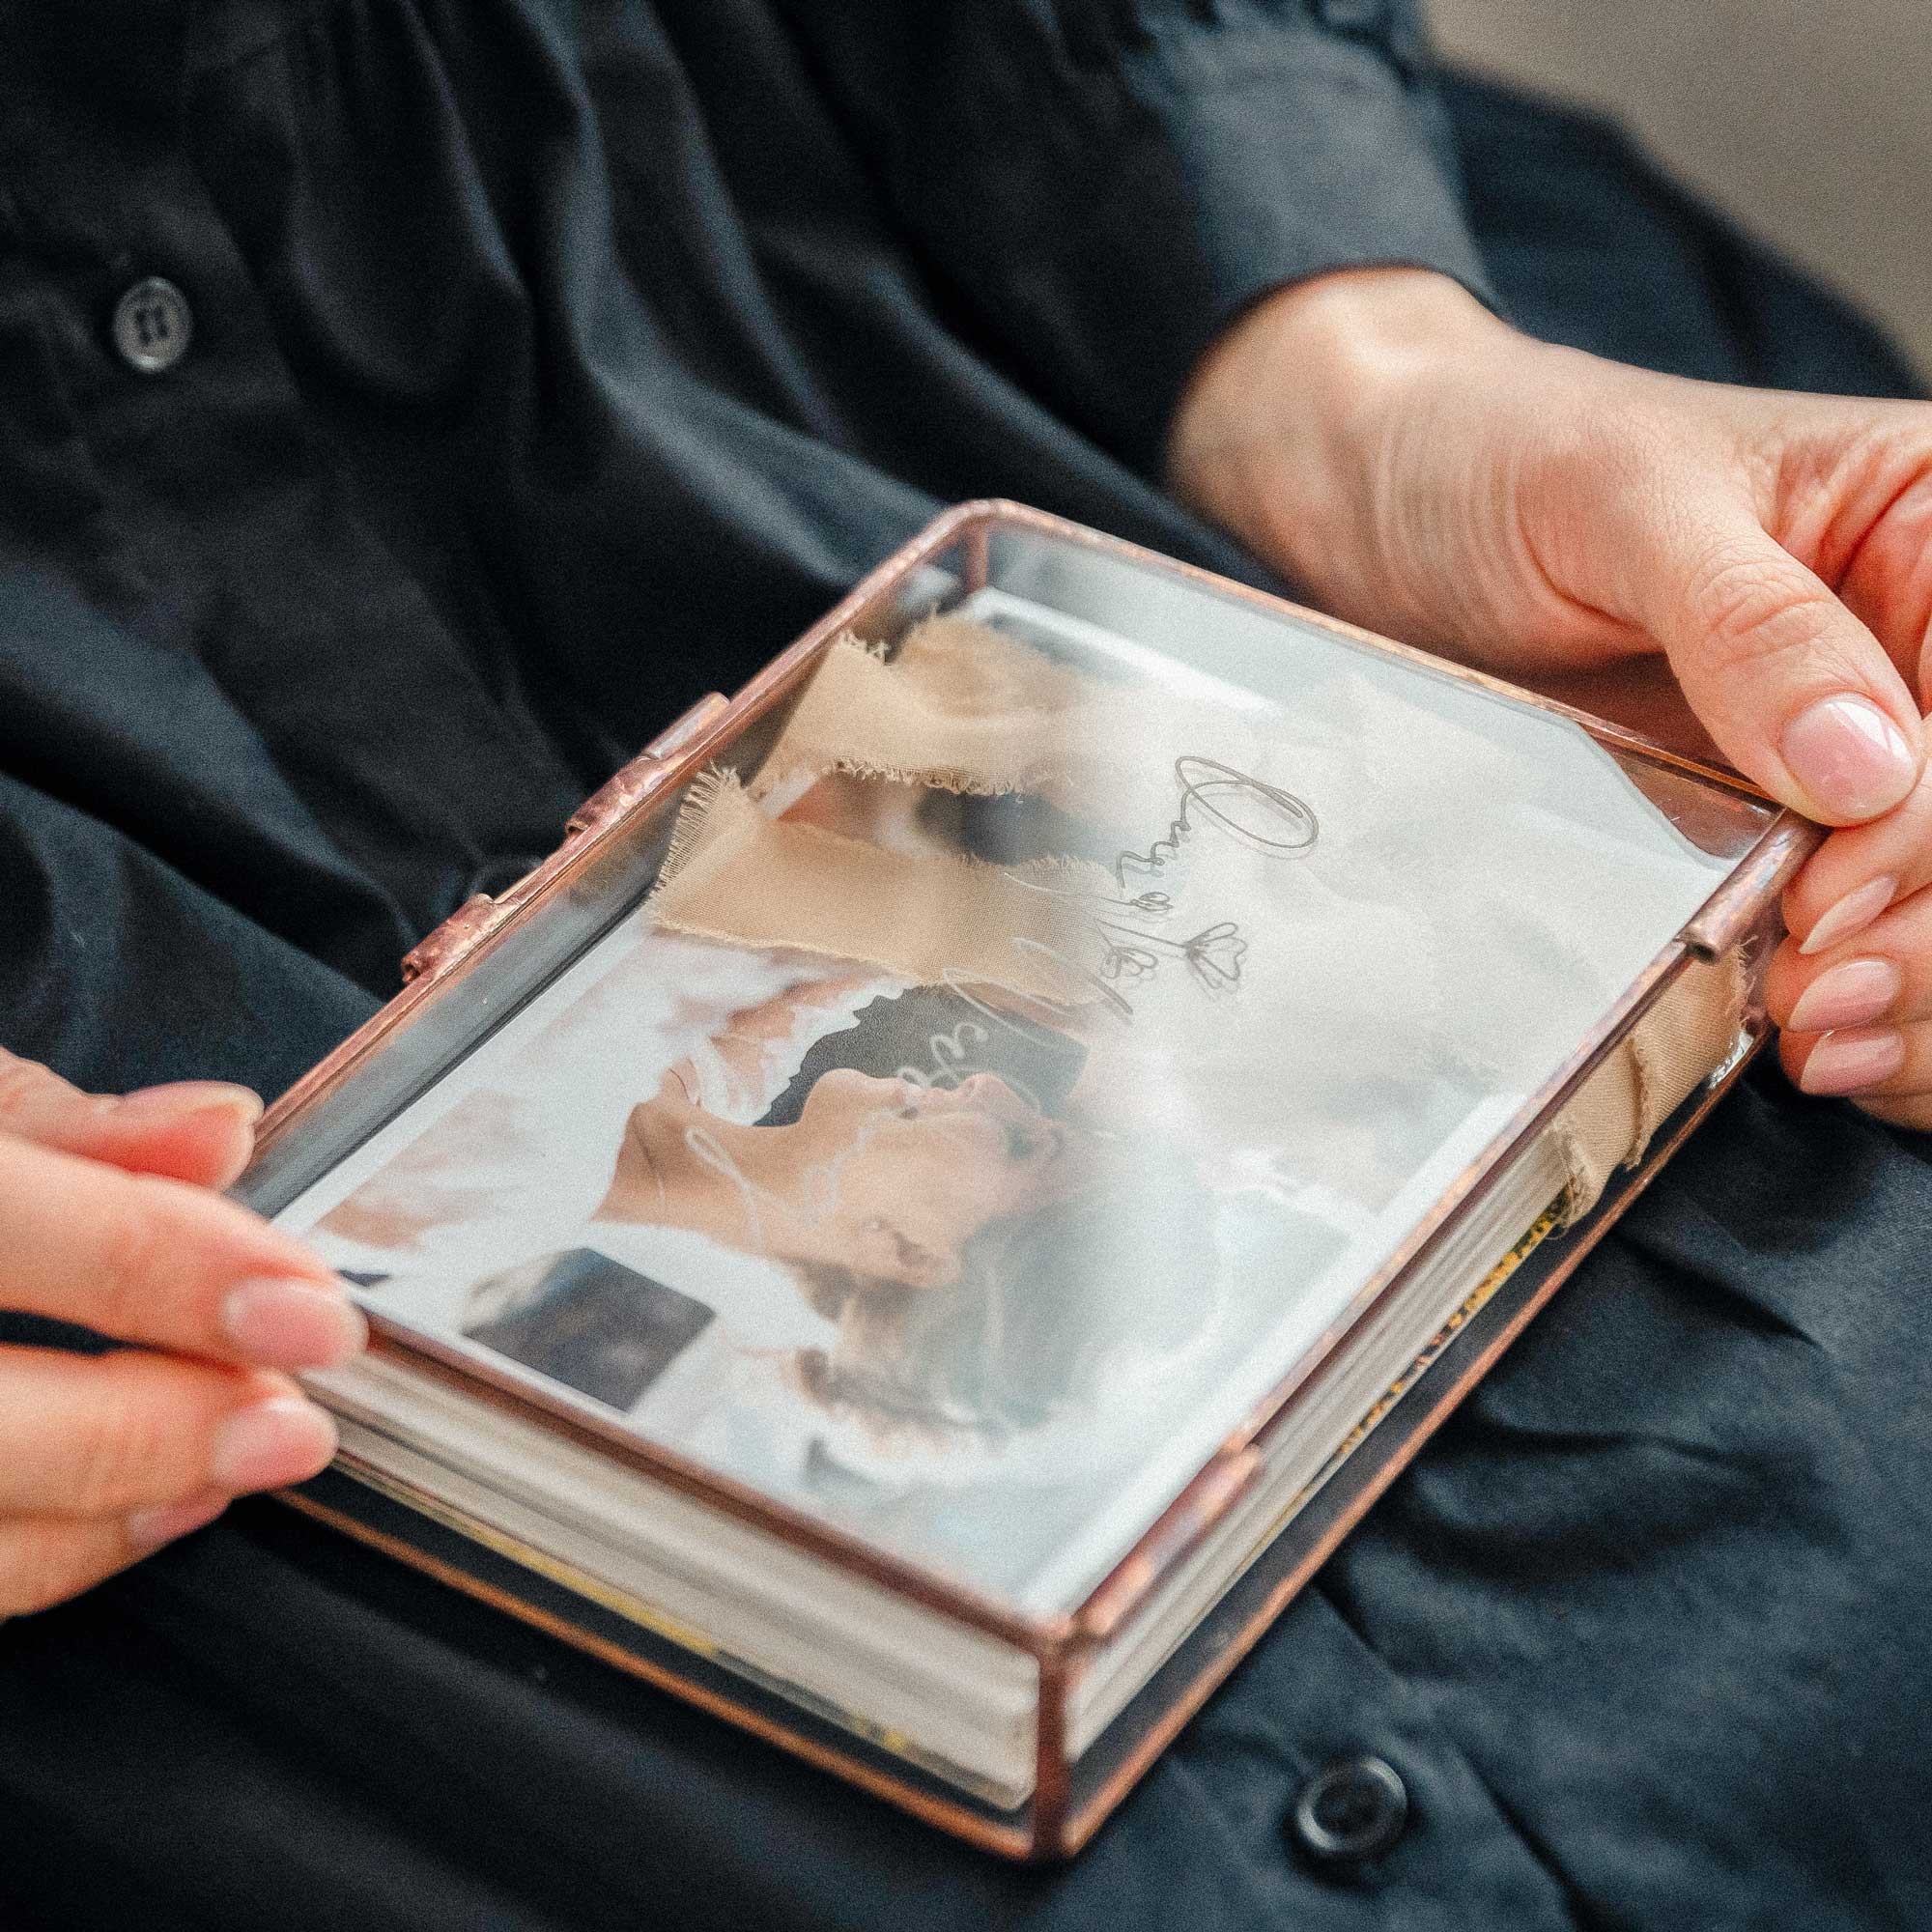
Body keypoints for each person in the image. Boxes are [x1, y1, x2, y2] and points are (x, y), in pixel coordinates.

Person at [3, 4, 1931, 1926]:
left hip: (976, 300)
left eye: (1022, 1143)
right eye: (1030, 1139)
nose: (998, 1077)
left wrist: (1347, 374)